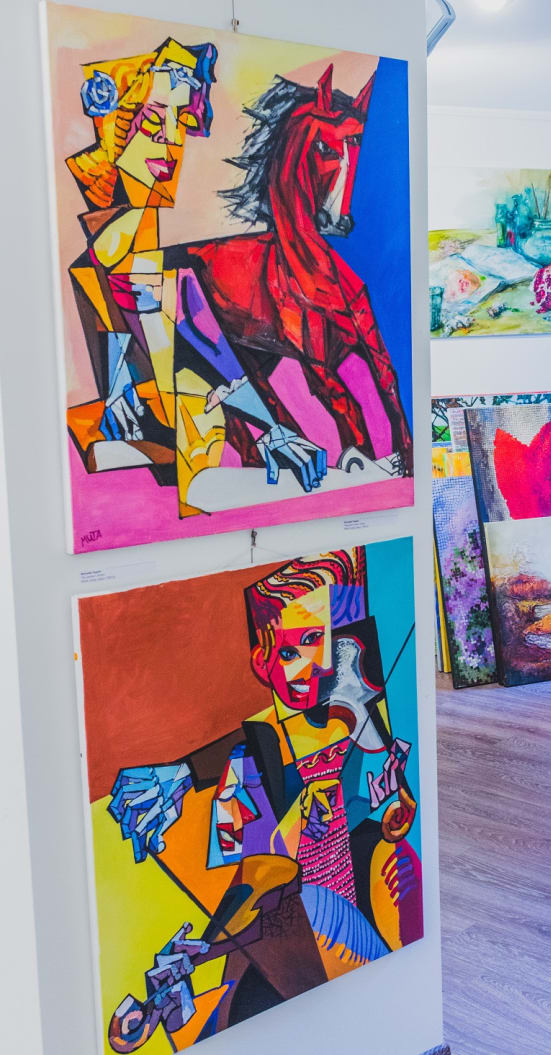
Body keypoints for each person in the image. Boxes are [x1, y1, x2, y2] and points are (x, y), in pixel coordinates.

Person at [106, 548, 422, 1052]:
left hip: (356, 938)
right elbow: (258, 879)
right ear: (262, 660)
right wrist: (195, 968)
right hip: (296, 945)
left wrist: (390, 809)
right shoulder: (252, 763)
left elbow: (371, 790)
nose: (309, 667)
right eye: (291, 651)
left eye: (318, 642)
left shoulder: (355, 725)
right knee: (270, 934)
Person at [66, 38, 326, 517]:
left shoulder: (141, 251)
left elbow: (190, 349)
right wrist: (119, 386)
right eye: (154, 119)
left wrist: (271, 428)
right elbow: (167, 334)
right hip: (169, 453)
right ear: (115, 129)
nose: (171, 140)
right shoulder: (115, 250)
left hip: (194, 444)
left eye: (180, 121)